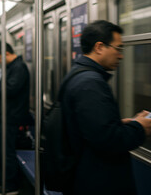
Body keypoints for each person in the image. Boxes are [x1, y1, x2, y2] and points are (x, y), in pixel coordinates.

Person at [61, 20, 151, 195]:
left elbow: (93, 128)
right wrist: (140, 127)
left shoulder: (80, 75)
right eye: (118, 48)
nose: (121, 56)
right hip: (97, 180)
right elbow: (109, 140)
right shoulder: (90, 84)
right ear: (99, 47)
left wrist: (121, 124)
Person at [0, 42, 30, 195]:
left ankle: (11, 184)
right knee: (1, 150)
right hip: (5, 116)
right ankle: (3, 178)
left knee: (7, 152)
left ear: (5, 54)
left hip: (12, 117)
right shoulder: (11, 68)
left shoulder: (18, 68)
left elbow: (11, 90)